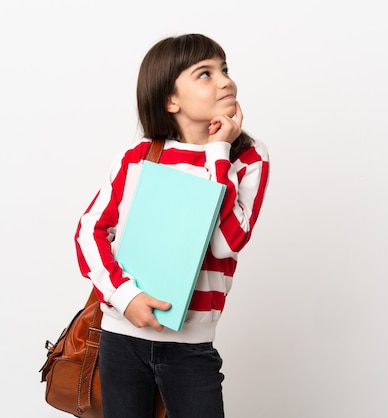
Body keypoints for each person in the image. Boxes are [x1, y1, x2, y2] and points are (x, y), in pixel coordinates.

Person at [74, 33, 270, 418]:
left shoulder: (246, 157)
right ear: (170, 100)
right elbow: (89, 232)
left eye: (224, 69)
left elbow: (226, 243)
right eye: (205, 74)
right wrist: (125, 297)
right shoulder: (139, 157)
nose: (225, 81)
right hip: (121, 336)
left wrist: (218, 152)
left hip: (191, 345)